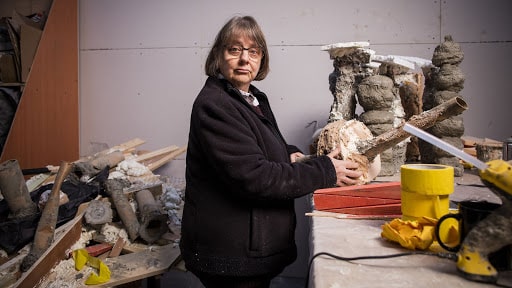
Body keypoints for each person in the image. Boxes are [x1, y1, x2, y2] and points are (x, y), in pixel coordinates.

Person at [180, 15, 362, 288]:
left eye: (253, 51)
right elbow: (254, 176)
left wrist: (289, 153)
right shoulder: (215, 104)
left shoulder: (250, 97)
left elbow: (255, 145)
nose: (245, 59)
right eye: (234, 50)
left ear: (261, 59)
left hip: (247, 244)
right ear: (218, 55)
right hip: (230, 251)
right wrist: (324, 171)